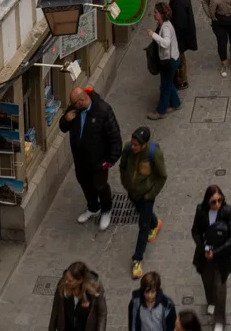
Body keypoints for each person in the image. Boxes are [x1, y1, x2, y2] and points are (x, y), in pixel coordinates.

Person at [59, 87, 123, 231]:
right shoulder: (74, 109)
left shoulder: (103, 111)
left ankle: (106, 210)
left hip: (98, 161)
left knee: (100, 186)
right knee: (85, 184)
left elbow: (114, 137)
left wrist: (111, 160)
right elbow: (63, 127)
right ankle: (93, 208)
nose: (72, 106)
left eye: (74, 104)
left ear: (81, 101)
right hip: (80, 159)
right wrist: (66, 119)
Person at [190, 184, 231, 331]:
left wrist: (216, 252)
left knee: (220, 288)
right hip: (205, 255)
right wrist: (204, 248)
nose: (217, 204)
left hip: (222, 257)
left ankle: (219, 320)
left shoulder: (228, 212)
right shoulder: (201, 211)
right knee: (207, 281)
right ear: (207, 201)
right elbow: (195, 231)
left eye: (219, 200)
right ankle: (210, 301)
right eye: (213, 201)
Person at [121, 127, 167, 280]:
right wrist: (126, 183)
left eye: (136, 145)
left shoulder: (153, 155)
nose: (133, 146)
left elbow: (162, 176)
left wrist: (151, 194)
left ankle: (137, 259)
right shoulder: (127, 149)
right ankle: (155, 223)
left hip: (146, 195)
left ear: (144, 145)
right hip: (132, 193)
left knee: (143, 226)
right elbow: (122, 166)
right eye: (132, 143)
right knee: (143, 214)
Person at [147, 4, 182, 119]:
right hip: (170, 59)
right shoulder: (164, 24)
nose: (154, 14)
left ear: (162, 14)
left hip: (169, 61)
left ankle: (161, 111)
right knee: (168, 82)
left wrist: (153, 35)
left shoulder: (166, 28)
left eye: (156, 12)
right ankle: (176, 103)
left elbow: (166, 43)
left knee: (165, 86)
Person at [49, 262, 105, 331]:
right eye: (66, 278)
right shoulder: (62, 285)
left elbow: (102, 314)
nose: (66, 282)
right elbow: (55, 309)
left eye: (70, 281)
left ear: (80, 280)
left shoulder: (95, 288)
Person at [165, 0, 199, 89]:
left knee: (180, 57)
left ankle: (182, 80)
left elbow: (180, 23)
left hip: (179, 36)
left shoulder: (180, 2)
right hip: (179, 35)